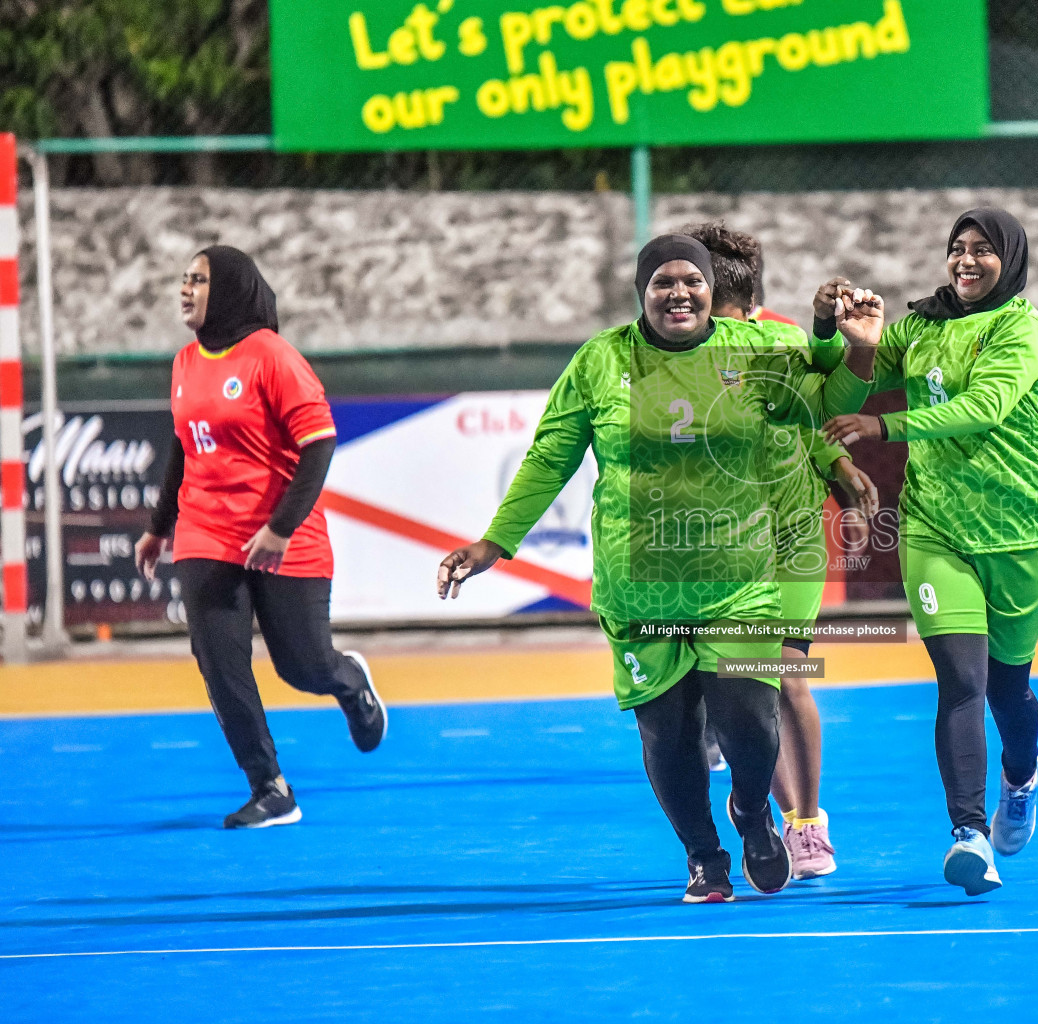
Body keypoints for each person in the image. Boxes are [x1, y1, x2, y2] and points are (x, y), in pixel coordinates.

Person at [436, 236, 881, 904]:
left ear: (710, 290)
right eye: (663, 283)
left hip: (740, 578)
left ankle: (755, 812)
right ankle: (705, 858)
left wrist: (861, 349)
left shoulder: (757, 350)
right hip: (638, 581)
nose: (679, 294)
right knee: (667, 733)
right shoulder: (601, 360)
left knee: (753, 720)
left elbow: (827, 400)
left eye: (692, 282)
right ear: (641, 293)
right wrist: (494, 543)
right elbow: (549, 456)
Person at [820, 208, 1038, 896]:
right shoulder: (919, 326)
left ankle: (1022, 776)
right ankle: (970, 835)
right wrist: (852, 339)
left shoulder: (1025, 329)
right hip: (934, 531)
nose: (967, 260)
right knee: (962, 682)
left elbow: (984, 406)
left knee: (1010, 691)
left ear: (1008, 260)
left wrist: (884, 424)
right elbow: (848, 379)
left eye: (983, 250)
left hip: (1020, 536)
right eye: (958, 248)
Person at [134, 246, 387, 829]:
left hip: (282, 534)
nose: (185, 289)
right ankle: (271, 788)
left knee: (301, 668)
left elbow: (318, 443)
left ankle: (346, 679)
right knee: (219, 662)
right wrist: (158, 527)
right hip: (205, 533)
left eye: (198, 279)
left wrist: (279, 528)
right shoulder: (183, 363)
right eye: (184, 279)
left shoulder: (272, 357)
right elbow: (183, 446)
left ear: (228, 289)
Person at [682, 221, 879, 881]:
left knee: (789, 676)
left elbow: (811, 419)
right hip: (712, 544)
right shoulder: (670, 354)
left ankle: (807, 823)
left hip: (789, 540)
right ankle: (755, 809)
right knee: (738, 690)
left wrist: (841, 473)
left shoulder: (785, 341)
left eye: (696, 283)